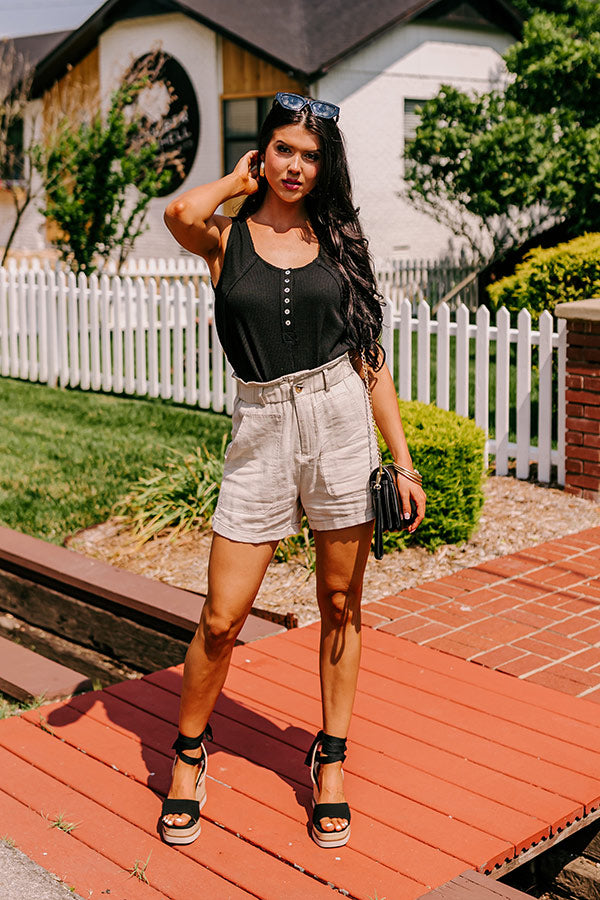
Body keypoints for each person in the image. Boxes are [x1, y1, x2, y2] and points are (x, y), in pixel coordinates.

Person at [160, 91, 426, 850]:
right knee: (221, 615)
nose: (296, 167)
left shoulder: (341, 241)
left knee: (341, 601)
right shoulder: (226, 238)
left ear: (326, 165)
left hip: (340, 421)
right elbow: (180, 214)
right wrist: (233, 182)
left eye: (311, 156)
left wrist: (400, 459)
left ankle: (330, 760)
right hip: (262, 424)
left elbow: (369, 358)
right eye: (283, 150)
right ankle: (188, 754)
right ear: (262, 153)